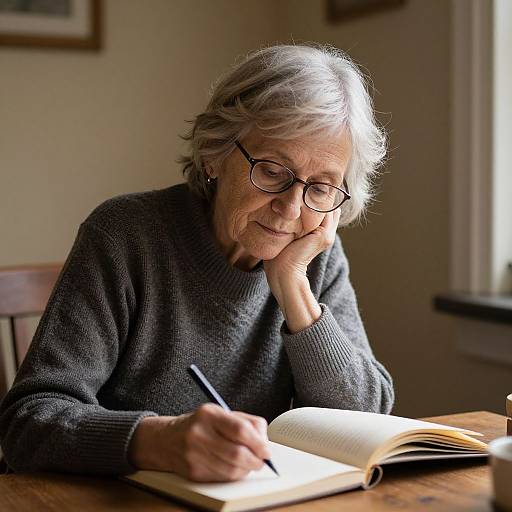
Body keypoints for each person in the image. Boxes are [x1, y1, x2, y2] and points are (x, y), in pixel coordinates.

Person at [0, 44, 394, 482]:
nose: (290, 208)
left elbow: (365, 420)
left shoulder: (313, 257)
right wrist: (157, 441)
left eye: (320, 188)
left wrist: (293, 287)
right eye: (271, 171)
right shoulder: (125, 236)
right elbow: (27, 423)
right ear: (214, 152)